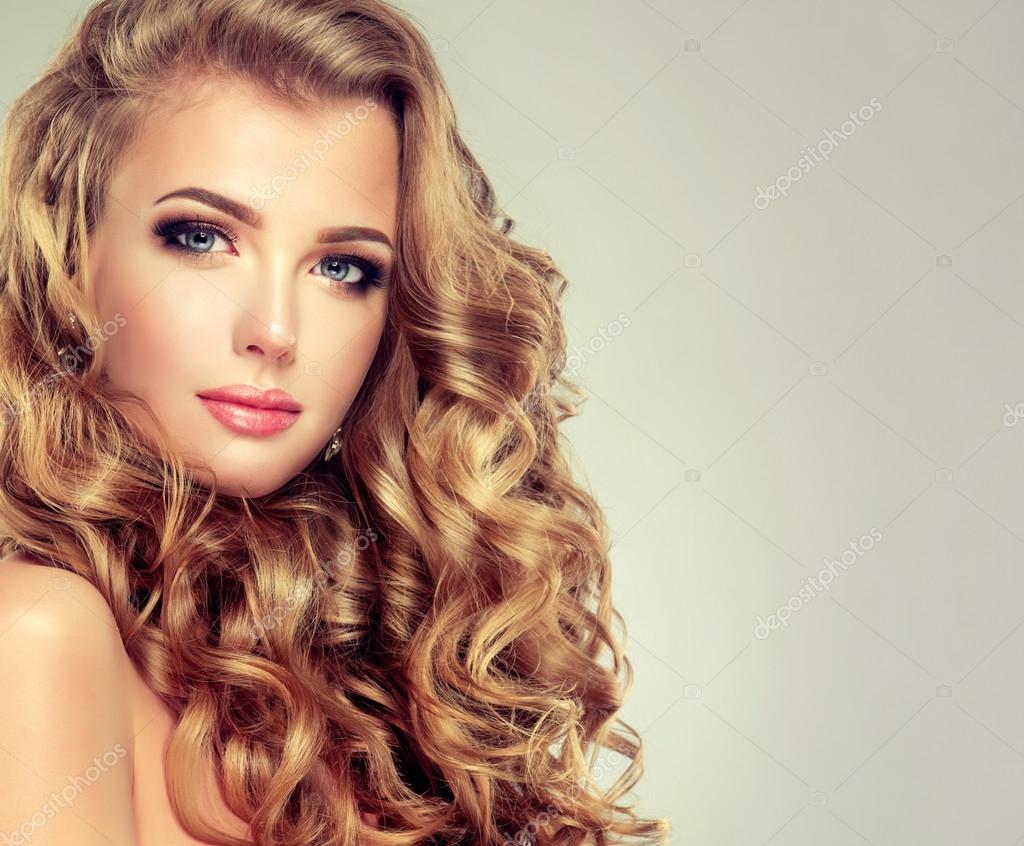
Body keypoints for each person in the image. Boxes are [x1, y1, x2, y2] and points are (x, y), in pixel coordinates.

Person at [0, 1, 669, 845]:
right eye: (202, 238)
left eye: (343, 267)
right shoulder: (34, 632)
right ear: (71, 252)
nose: (276, 332)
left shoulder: (361, 674)